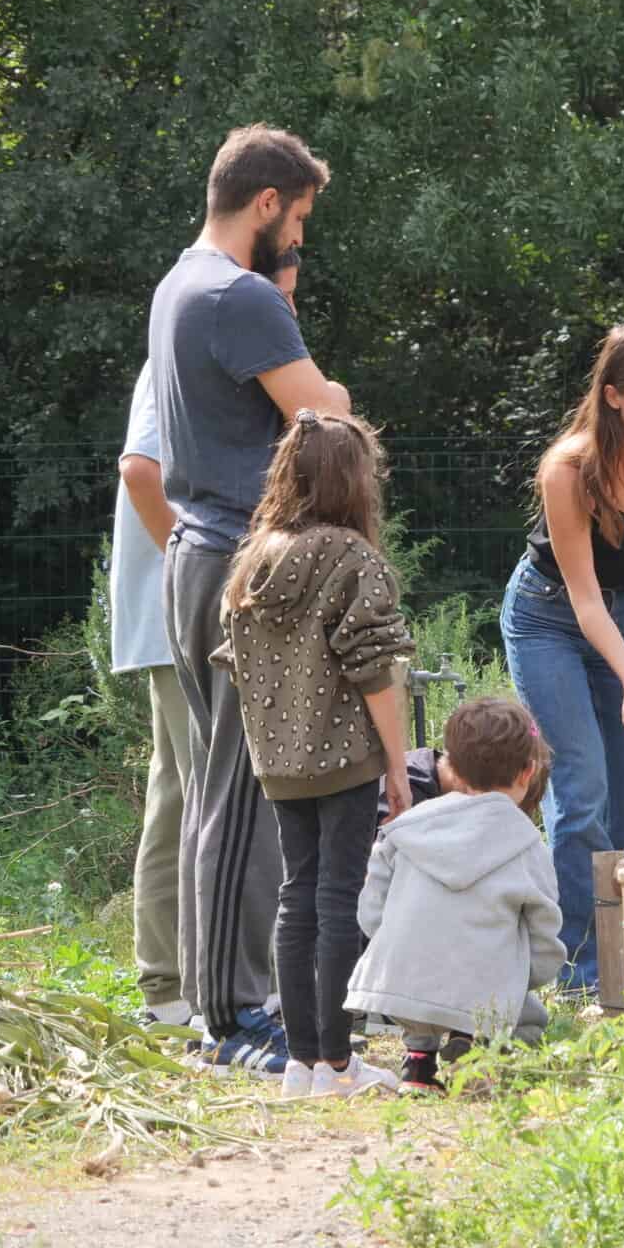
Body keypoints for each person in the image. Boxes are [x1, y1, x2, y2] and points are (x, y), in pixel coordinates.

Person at [152, 124, 348, 1073]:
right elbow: (329, 415)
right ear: (266, 202)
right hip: (243, 564)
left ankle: (218, 1005)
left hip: (193, 554)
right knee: (244, 795)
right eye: (299, 218)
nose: (300, 239)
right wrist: (326, 369)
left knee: (214, 791)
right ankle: (232, 1020)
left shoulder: (179, 282)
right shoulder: (239, 297)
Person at [216, 409, 414, 1098]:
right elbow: (374, 669)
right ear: (353, 480)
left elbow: (234, 659)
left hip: (278, 762)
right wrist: (397, 763)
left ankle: (300, 1064)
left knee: (295, 898)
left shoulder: (253, 560)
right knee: (338, 900)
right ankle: (339, 1062)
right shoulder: (352, 558)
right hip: (346, 757)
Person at [501, 323, 624, 993]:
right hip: (550, 621)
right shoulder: (569, 467)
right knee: (582, 788)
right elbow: (584, 601)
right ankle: (583, 970)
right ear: (612, 395)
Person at [347, 697, 564, 1095]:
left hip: (399, 987)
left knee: (437, 972)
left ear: (453, 768)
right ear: (528, 772)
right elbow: (544, 925)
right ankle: (476, 1051)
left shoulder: (407, 826)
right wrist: (528, 974)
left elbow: (371, 905)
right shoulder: (527, 844)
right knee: (519, 1005)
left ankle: (418, 1063)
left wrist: (388, 942)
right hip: (480, 989)